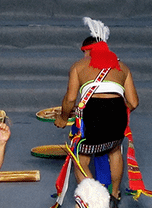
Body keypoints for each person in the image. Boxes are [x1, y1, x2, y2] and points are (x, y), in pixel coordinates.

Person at [57, 17, 139, 198]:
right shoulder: (123, 67)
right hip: (118, 111)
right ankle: (115, 193)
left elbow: (70, 99)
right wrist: (114, 110)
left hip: (93, 113)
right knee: (114, 150)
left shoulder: (78, 66)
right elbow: (133, 102)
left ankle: (93, 199)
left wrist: (63, 118)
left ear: (88, 51)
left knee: (81, 159)